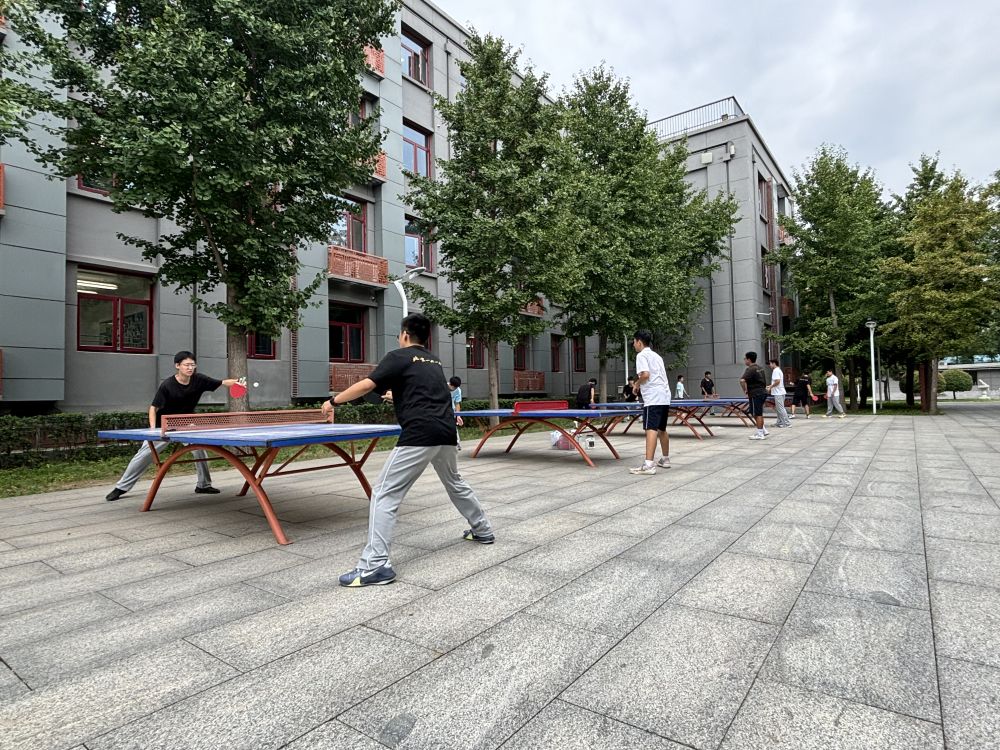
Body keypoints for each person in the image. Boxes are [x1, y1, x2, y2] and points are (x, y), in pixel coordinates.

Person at [324, 313, 494, 587]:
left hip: (420, 434)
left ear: (404, 334)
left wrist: (333, 401)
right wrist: (397, 396)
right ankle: (482, 529)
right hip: (446, 432)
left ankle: (375, 565)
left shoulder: (398, 356)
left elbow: (367, 384)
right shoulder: (434, 361)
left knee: (384, 493)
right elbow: (424, 394)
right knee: (455, 482)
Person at [105, 351, 240, 502]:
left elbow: (223, 382)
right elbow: (153, 408)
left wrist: (237, 382)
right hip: (164, 425)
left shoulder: (199, 380)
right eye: (186, 365)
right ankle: (121, 487)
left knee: (200, 449)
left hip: (186, 424)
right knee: (143, 455)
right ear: (177, 366)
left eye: (192, 365)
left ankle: (203, 485)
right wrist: (153, 430)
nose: (190, 368)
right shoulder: (167, 385)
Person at [629, 330, 671, 475]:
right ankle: (665, 459)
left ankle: (648, 465)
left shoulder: (641, 355)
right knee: (661, 429)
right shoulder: (657, 356)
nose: (633, 345)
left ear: (639, 342)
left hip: (653, 397)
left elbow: (646, 374)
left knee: (651, 428)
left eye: (634, 342)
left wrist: (636, 384)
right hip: (664, 395)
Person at [740, 351, 769, 440]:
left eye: (745, 359)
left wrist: (745, 390)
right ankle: (763, 430)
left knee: (757, 413)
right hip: (762, 392)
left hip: (755, 393)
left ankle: (760, 434)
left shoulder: (750, 369)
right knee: (755, 412)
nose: (744, 360)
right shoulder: (760, 368)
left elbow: (742, 380)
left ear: (749, 359)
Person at [767, 359, 791, 428]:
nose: (769, 365)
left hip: (778, 393)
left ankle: (787, 423)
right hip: (780, 392)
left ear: (774, 363)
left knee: (780, 408)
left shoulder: (775, 371)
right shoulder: (778, 370)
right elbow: (777, 382)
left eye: (770, 364)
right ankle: (780, 422)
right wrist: (770, 386)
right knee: (779, 408)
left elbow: (777, 381)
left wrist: (770, 387)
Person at [449, 375, 464, 449]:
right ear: (450, 384)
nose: (454, 389)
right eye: (453, 387)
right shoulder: (442, 387)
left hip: (451, 410)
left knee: (453, 426)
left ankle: (457, 443)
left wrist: (458, 415)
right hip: (441, 410)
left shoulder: (458, 390)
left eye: (456, 387)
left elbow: (457, 403)